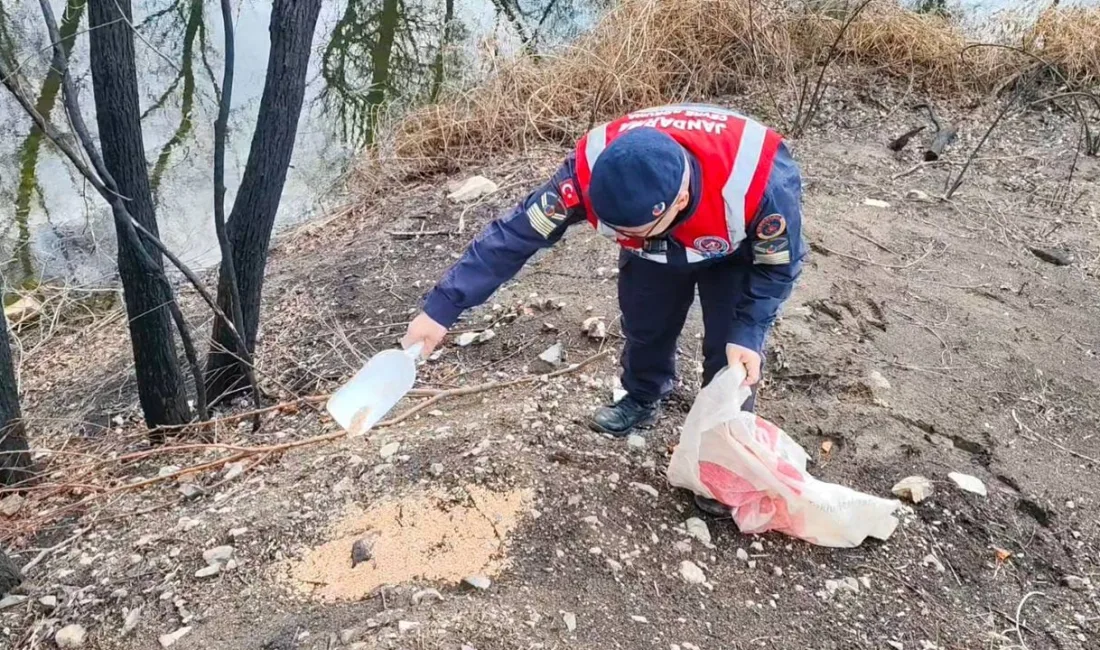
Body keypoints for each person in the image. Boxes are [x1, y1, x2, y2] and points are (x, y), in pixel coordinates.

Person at [402, 104, 806, 515]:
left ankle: (725, 452)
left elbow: (779, 264)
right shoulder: (585, 173)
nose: (618, 236)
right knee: (645, 321)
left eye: (630, 231)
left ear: (681, 199)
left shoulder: (759, 181)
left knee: (731, 352)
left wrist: (749, 331)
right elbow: (515, 236)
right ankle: (643, 396)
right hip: (653, 253)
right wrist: (441, 309)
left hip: (734, 249)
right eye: (614, 229)